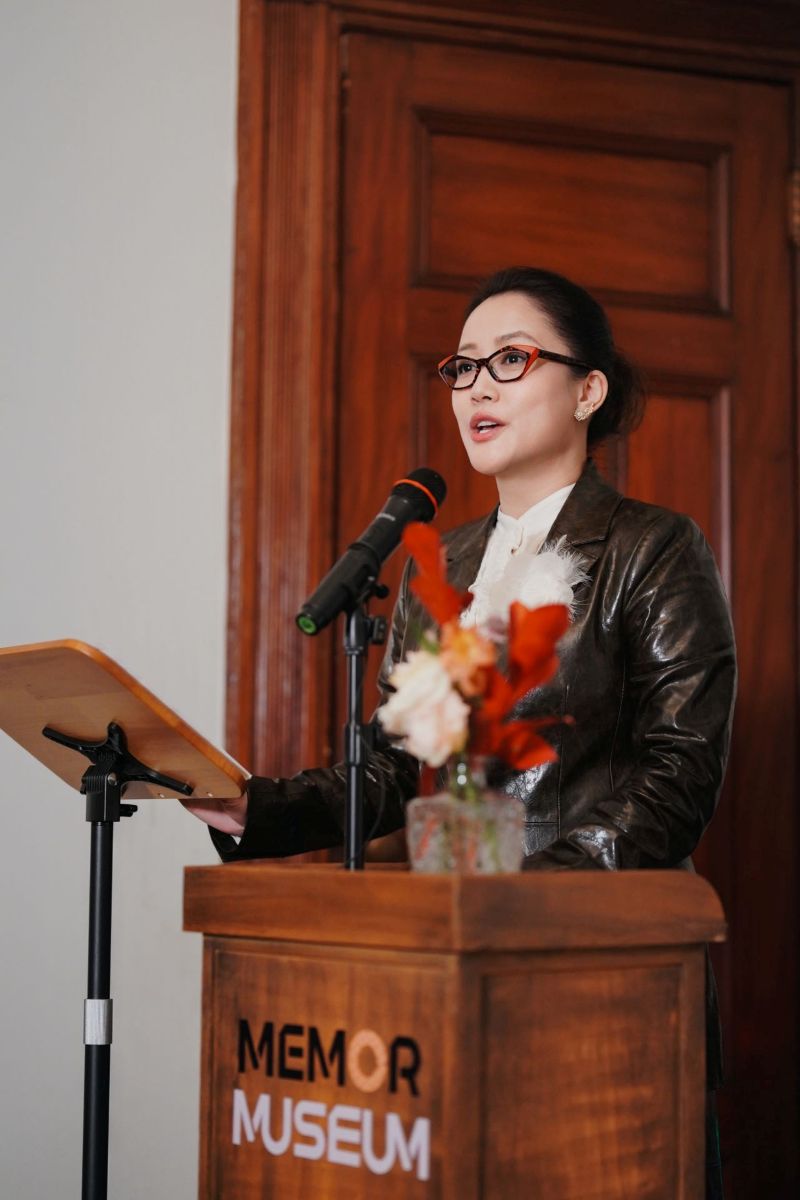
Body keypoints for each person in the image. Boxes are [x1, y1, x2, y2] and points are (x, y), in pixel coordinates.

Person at [183, 266, 735, 1197]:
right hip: (450, 958)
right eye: (462, 366)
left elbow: (680, 772)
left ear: (588, 390)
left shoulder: (654, 547)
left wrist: (523, 898)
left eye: (510, 360)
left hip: (601, 960)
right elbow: (403, 766)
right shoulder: (446, 565)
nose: (475, 386)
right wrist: (258, 809)